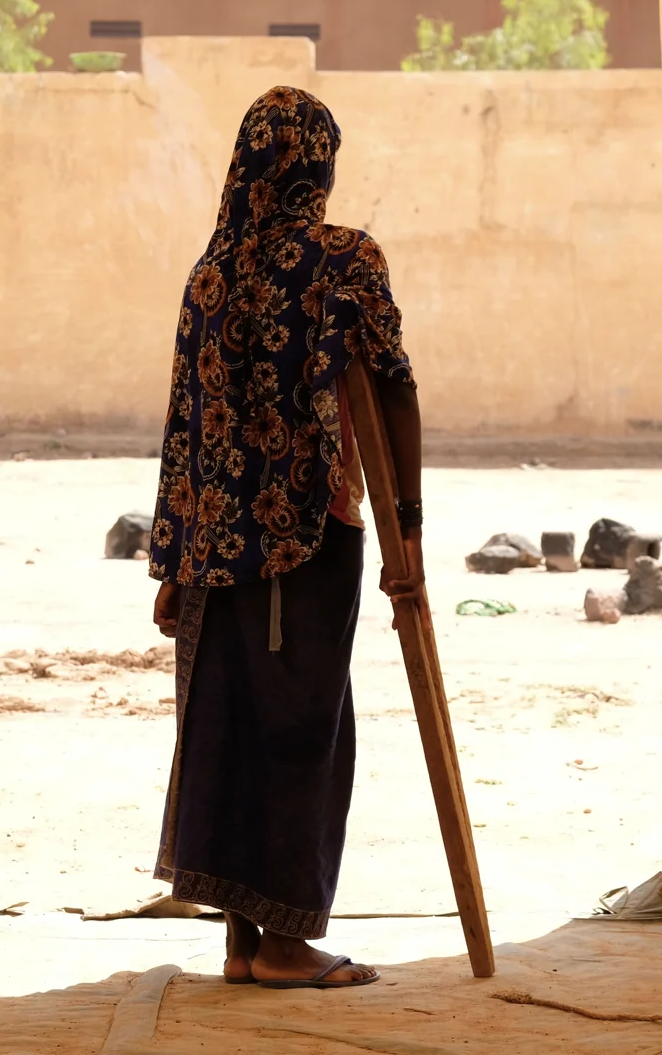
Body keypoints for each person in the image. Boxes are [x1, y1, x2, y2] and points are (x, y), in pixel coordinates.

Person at [147, 87, 424, 990]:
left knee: (230, 728)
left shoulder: (209, 275)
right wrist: (406, 532)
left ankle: (241, 941)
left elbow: (185, 428)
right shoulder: (344, 260)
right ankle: (283, 947)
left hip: (216, 552)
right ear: (319, 165)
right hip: (310, 536)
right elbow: (391, 386)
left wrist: (172, 562)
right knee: (305, 730)